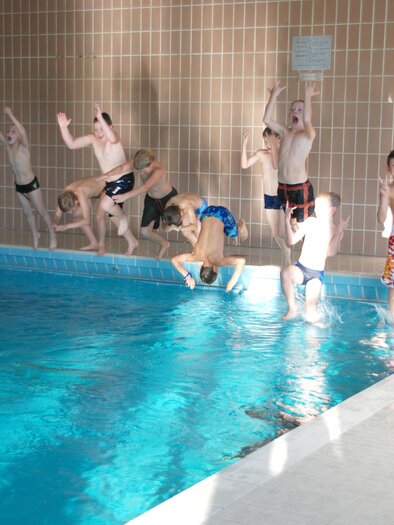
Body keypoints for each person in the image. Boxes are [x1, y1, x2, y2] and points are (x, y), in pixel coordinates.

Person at [57, 104, 138, 256]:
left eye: (102, 129)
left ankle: (123, 217)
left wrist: (100, 118)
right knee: (109, 214)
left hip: (124, 179)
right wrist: (63, 128)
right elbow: (72, 144)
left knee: (106, 204)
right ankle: (132, 241)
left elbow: (111, 138)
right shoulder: (93, 139)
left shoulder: (114, 137)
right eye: (96, 129)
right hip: (110, 183)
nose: (99, 133)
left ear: (110, 127)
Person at [280, 192, 350, 323]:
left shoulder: (335, 230)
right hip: (301, 269)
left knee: (310, 314)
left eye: (320, 206)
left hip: (316, 275)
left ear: (332, 210)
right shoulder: (310, 222)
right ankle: (292, 309)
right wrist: (286, 222)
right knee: (286, 272)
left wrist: (340, 231)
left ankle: (315, 335)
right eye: (316, 205)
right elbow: (291, 240)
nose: (316, 208)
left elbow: (331, 252)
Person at [0, 107, 57, 250]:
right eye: (9, 131)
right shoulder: (7, 146)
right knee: (27, 213)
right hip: (19, 186)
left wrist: (11, 115)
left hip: (31, 185)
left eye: (14, 132)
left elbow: (23, 131)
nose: (9, 133)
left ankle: (52, 233)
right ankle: (35, 234)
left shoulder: (24, 147)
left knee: (41, 211)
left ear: (19, 136)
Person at [263, 81, 319, 224]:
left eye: (300, 110)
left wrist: (307, 96)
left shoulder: (308, 135)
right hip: (283, 186)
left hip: (299, 187)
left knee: (302, 224)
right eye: (293, 109)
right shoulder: (284, 132)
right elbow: (267, 120)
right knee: (289, 225)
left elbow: (306, 119)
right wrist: (274, 95)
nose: (295, 112)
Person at [106, 149, 178, 259]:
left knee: (169, 226)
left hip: (167, 199)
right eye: (140, 171)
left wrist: (125, 196)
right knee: (145, 231)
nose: (142, 173)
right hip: (151, 200)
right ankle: (164, 243)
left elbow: (146, 187)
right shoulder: (138, 162)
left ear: (152, 163)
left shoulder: (159, 170)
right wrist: (108, 174)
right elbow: (122, 168)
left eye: (144, 170)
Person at [171, 206, 248, 292]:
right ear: (201, 268)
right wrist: (187, 277)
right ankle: (231, 230)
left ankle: (241, 224)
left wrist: (232, 281)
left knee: (233, 233)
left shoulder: (219, 261)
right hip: (206, 212)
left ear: (215, 269)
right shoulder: (195, 256)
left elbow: (241, 261)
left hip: (222, 214)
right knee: (224, 230)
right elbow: (174, 260)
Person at [241, 127, 291, 264]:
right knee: (275, 233)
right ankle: (287, 255)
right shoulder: (261, 154)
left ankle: (288, 257)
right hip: (269, 197)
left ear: (278, 139)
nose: (267, 145)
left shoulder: (284, 155)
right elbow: (245, 165)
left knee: (283, 231)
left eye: (269, 141)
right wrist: (245, 144)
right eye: (265, 141)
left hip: (282, 197)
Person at [52, 176, 106, 251]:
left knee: (99, 217)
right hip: (92, 191)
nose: (70, 213)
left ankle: (101, 245)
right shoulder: (65, 195)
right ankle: (94, 243)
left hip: (105, 187)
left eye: (71, 210)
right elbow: (57, 214)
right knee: (76, 217)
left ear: (76, 202)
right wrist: (54, 222)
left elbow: (86, 220)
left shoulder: (81, 194)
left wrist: (67, 226)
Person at [377, 150, 394, 321]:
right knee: (393, 283)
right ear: (389, 169)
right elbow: (381, 218)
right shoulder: (389, 191)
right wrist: (383, 197)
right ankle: (392, 318)